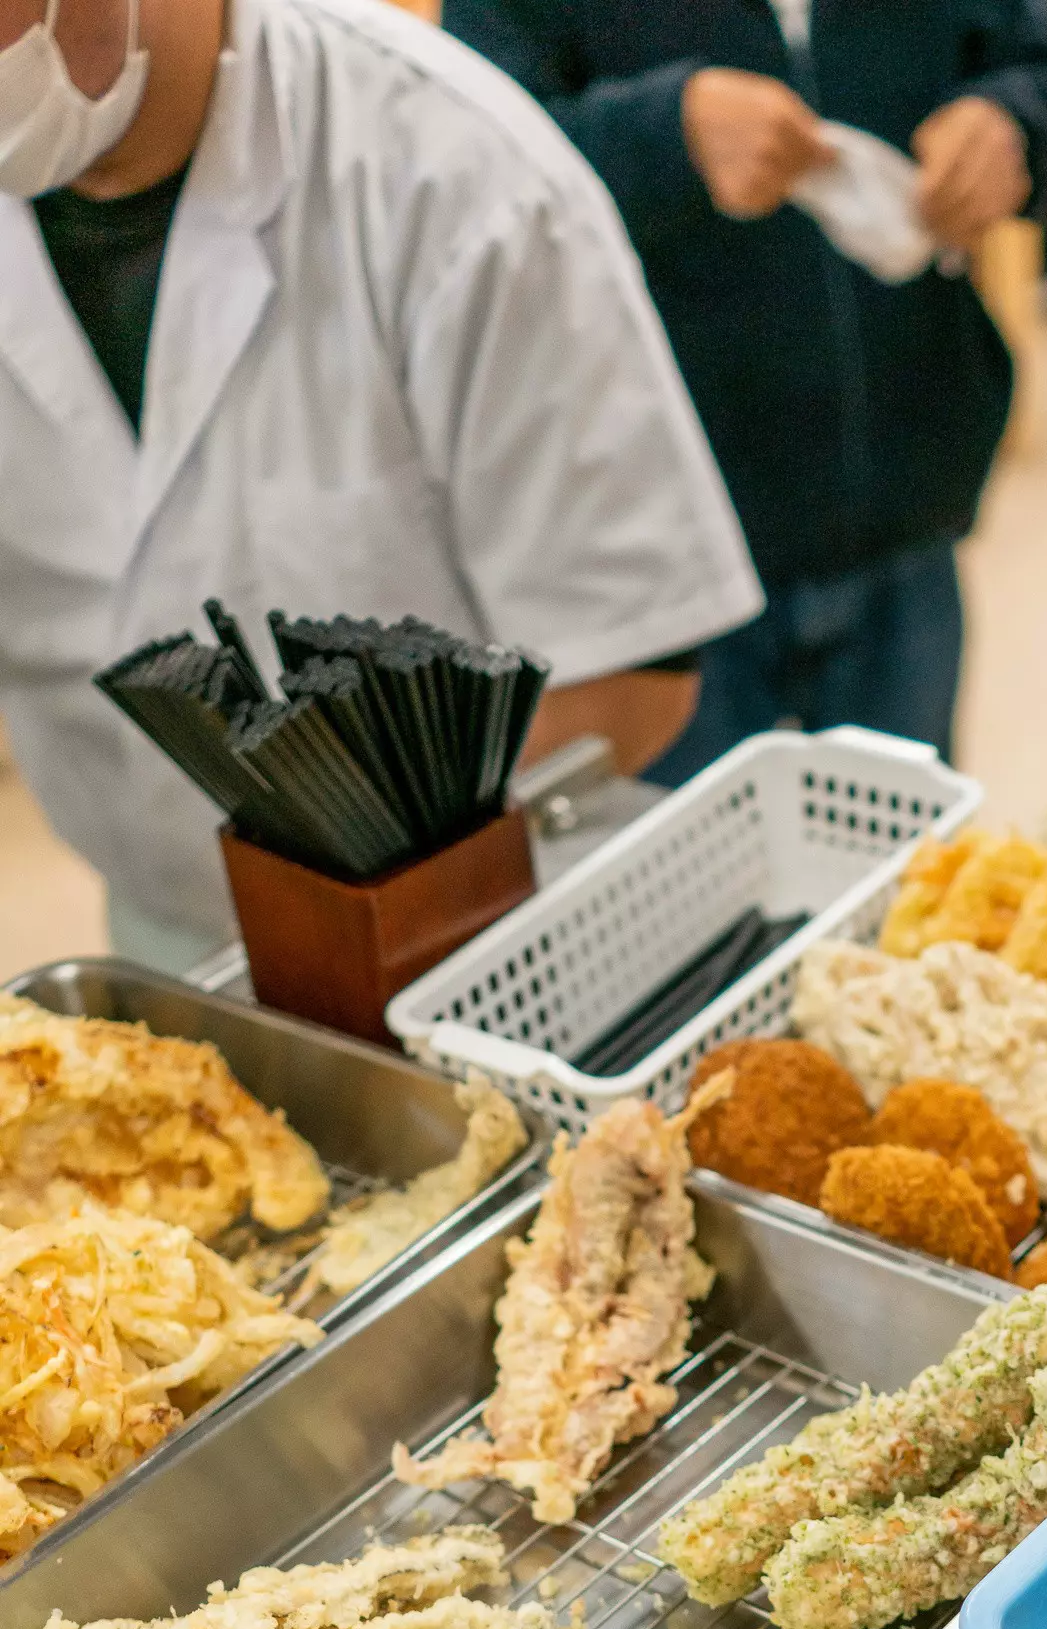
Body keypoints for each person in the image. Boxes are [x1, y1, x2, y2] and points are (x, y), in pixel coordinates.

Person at [0, 0, 762, 973]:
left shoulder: (452, 173)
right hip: (167, 943)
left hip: (486, 944)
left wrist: (351, 917)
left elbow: (629, 673)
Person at [441, 0, 1047, 788]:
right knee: (695, 897)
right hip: (669, 561)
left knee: (907, 885)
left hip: (904, 505)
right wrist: (665, 135)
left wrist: (1011, 124)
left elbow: (1033, 59)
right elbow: (466, 168)